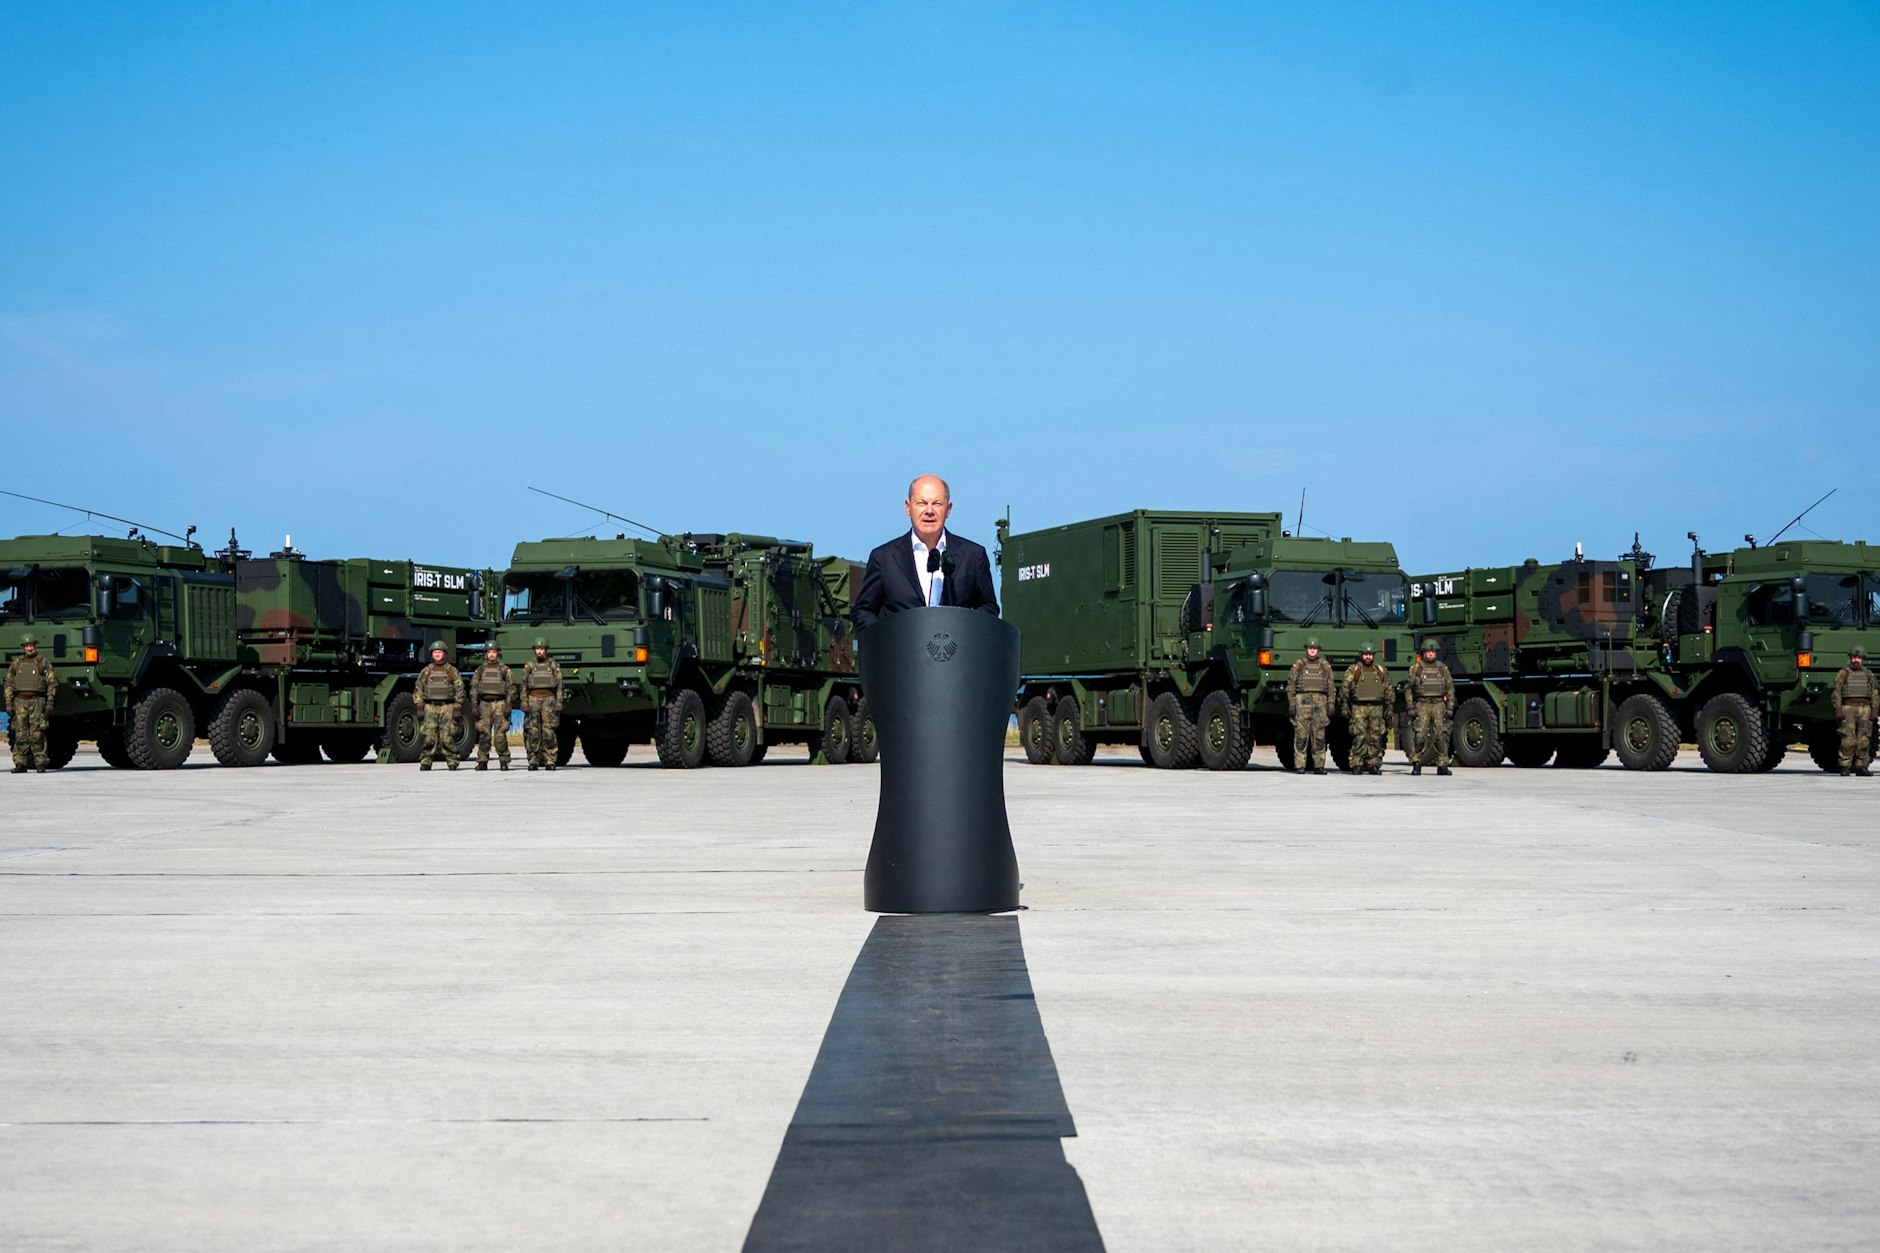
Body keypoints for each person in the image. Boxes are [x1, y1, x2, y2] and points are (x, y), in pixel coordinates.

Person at [852, 474, 999, 631]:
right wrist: (888, 639)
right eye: (921, 503)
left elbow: (988, 607)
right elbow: (863, 611)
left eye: (937, 504)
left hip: (957, 651)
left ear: (948, 509)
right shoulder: (883, 558)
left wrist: (966, 632)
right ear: (908, 507)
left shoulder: (973, 555)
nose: (929, 511)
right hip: (901, 652)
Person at [1339, 641, 1393, 775]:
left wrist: (1390, 706)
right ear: (1361, 655)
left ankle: (1373, 764)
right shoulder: (1354, 670)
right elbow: (1345, 689)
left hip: (1377, 708)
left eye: (1370, 654)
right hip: (1359, 707)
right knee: (1359, 736)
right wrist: (1344, 706)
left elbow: (1388, 689)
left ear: (1373, 655)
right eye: (1365, 654)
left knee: (1376, 737)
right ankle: (1356, 763)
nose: (1368, 657)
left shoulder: (1380, 671)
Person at [5, 634, 57, 774]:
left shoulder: (43, 662)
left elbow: (52, 683)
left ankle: (40, 763)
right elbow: (9, 683)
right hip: (20, 702)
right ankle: (20, 763)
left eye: (32, 645)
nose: (30, 648)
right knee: (20, 733)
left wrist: (50, 701)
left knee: (37, 734)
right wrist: (9, 702)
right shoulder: (17, 663)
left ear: (35, 646)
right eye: (27, 646)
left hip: (37, 701)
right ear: (23, 647)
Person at [412, 641, 466, 771]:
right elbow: (418, 689)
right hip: (430, 707)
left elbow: (460, 689)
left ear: (445, 654)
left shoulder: (452, 671)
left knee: (447, 737)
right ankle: (426, 761)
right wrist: (419, 706)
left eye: (440, 652)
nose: (437, 654)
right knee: (429, 737)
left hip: (447, 707)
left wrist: (458, 706)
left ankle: (452, 760)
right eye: (435, 652)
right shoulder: (426, 671)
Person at [1405, 640, 1454, 776]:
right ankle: (1416, 763)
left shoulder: (1442, 669)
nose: (1430, 654)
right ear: (1424, 653)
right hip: (1422, 704)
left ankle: (1442, 764)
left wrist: (1450, 706)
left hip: (1439, 704)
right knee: (1420, 735)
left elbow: (1450, 688)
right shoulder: (1416, 669)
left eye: (1432, 652)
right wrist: (1410, 705)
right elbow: (1408, 688)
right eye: (1428, 652)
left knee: (1440, 735)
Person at [1287, 636, 1335, 774]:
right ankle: (1300, 765)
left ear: (1318, 650)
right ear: (1306, 649)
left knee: (1319, 737)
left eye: (1314, 648)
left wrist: (1331, 703)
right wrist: (1291, 703)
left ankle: (1319, 766)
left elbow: (1331, 686)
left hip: (1320, 702)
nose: (1312, 651)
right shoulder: (1298, 665)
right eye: (1310, 648)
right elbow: (1290, 685)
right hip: (1302, 702)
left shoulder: (1324, 665)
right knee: (1301, 736)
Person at [519, 637, 563, 771]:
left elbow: (560, 685)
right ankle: (533, 760)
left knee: (548, 732)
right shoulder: (529, 666)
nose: (539, 651)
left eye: (542, 649)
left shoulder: (553, 665)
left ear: (546, 650)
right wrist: (524, 702)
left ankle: (550, 760)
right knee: (533, 732)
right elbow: (523, 685)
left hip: (549, 700)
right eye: (537, 649)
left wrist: (559, 702)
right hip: (533, 699)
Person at [470, 644, 515, 772]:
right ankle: (482, 761)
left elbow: (511, 687)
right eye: (489, 652)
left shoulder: (504, 669)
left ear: (498, 653)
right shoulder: (480, 669)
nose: (491, 654)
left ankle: (504, 760)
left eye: (494, 652)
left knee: (500, 735)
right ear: (486, 654)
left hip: (499, 703)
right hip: (484, 703)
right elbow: (473, 687)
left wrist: (509, 704)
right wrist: (474, 704)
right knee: (484, 734)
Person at [1831, 646, 1874, 777]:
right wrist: (1838, 708)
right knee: (1848, 740)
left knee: (1864, 739)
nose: (1856, 660)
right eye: (1854, 657)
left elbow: (1875, 692)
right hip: (1848, 708)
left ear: (1862, 659)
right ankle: (1845, 766)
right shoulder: (1843, 673)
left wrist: (1875, 709)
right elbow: (1836, 692)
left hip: (1865, 708)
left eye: (1859, 658)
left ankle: (1861, 766)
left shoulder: (1868, 674)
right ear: (1850, 658)